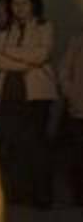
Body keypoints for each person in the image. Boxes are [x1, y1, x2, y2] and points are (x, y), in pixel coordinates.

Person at [0, 0, 55, 208]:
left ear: (33, 4)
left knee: (36, 145)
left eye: (24, 3)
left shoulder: (44, 26)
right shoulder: (5, 29)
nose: (19, 8)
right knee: (13, 145)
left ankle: (41, 195)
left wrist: (10, 52)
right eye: (15, 4)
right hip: (9, 94)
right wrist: (24, 63)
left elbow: (41, 55)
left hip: (37, 94)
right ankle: (17, 193)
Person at [59, 28, 83, 206]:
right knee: (78, 152)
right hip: (79, 107)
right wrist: (72, 94)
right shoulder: (77, 41)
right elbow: (65, 71)